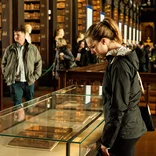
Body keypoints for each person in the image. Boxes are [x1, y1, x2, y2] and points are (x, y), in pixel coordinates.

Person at [85, 17, 147, 156]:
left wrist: (106, 142)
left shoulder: (119, 65)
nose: (92, 51)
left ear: (104, 40)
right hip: (127, 126)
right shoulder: (119, 58)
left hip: (125, 129)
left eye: (93, 46)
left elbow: (119, 106)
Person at [1, 26, 42, 106]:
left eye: (18, 35)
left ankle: (28, 118)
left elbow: (39, 62)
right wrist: (6, 75)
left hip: (29, 81)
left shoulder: (32, 49)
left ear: (24, 35)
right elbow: (3, 63)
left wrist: (35, 76)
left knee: (29, 105)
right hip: (15, 82)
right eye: (14, 35)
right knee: (17, 106)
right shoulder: (9, 49)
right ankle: (19, 119)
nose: (15, 37)